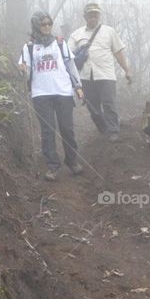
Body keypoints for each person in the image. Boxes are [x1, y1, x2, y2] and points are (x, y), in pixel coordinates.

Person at [19, 11, 85, 181]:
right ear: (36, 25)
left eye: (49, 23)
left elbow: (71, 65)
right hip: (40, 93)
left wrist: (78, 86)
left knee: (67, 129)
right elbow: (25, 70)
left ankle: (72, 161)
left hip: (63, 91)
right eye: (43, 24)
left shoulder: (60, 43)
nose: (47, 26)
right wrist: (23, 70)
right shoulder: (29, 47)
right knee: (48, 130)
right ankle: (52, 166)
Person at [68, 2, 132, 141]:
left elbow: (118, 52)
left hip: (106, 74)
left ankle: (114, 131)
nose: (93, 18)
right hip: (85, 76)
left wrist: (127, 70)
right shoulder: (76, 35)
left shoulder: (109, 31)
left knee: (109, 103)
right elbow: (68, 57)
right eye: (90, 15)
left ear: (99, 16)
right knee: (92, 106)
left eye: (95, 15)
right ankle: (103, 129)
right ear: (85, 17)